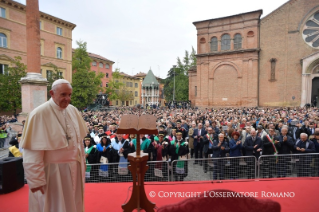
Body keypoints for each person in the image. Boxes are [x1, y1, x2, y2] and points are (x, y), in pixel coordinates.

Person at [20, 79, 88, 212]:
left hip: (74, 168)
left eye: (69, 95)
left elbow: (79, 142)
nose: (67, 99)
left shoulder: (73, 110)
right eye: (63, 94)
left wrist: (82, 164)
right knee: (54, 206)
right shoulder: (39, 114)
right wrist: (36, 180)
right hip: (52, 173)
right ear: (52, 93)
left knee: (73, 203)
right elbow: (32, 152)